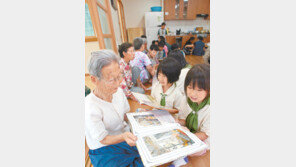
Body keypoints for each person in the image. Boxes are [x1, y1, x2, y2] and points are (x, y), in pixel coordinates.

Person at [85, 50, 144, 167]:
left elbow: (124, 116)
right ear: (94, 80)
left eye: (119, 76)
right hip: (103, 149)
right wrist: (123, 136)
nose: (118, 83)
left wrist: (138, 115)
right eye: (112, 80)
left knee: (147, 156)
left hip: (124, 138)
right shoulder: (89, 106)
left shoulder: (118, 92)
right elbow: (103, 139)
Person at [177, 63, 210, 152]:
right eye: (190, 87)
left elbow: (205, 134)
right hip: (189, 133)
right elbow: (184, 119)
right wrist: (176, 123)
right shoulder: (185, 99)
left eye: (199, 90)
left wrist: (187, 137)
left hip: (203, 138)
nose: (193, 94)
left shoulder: (210, 108)